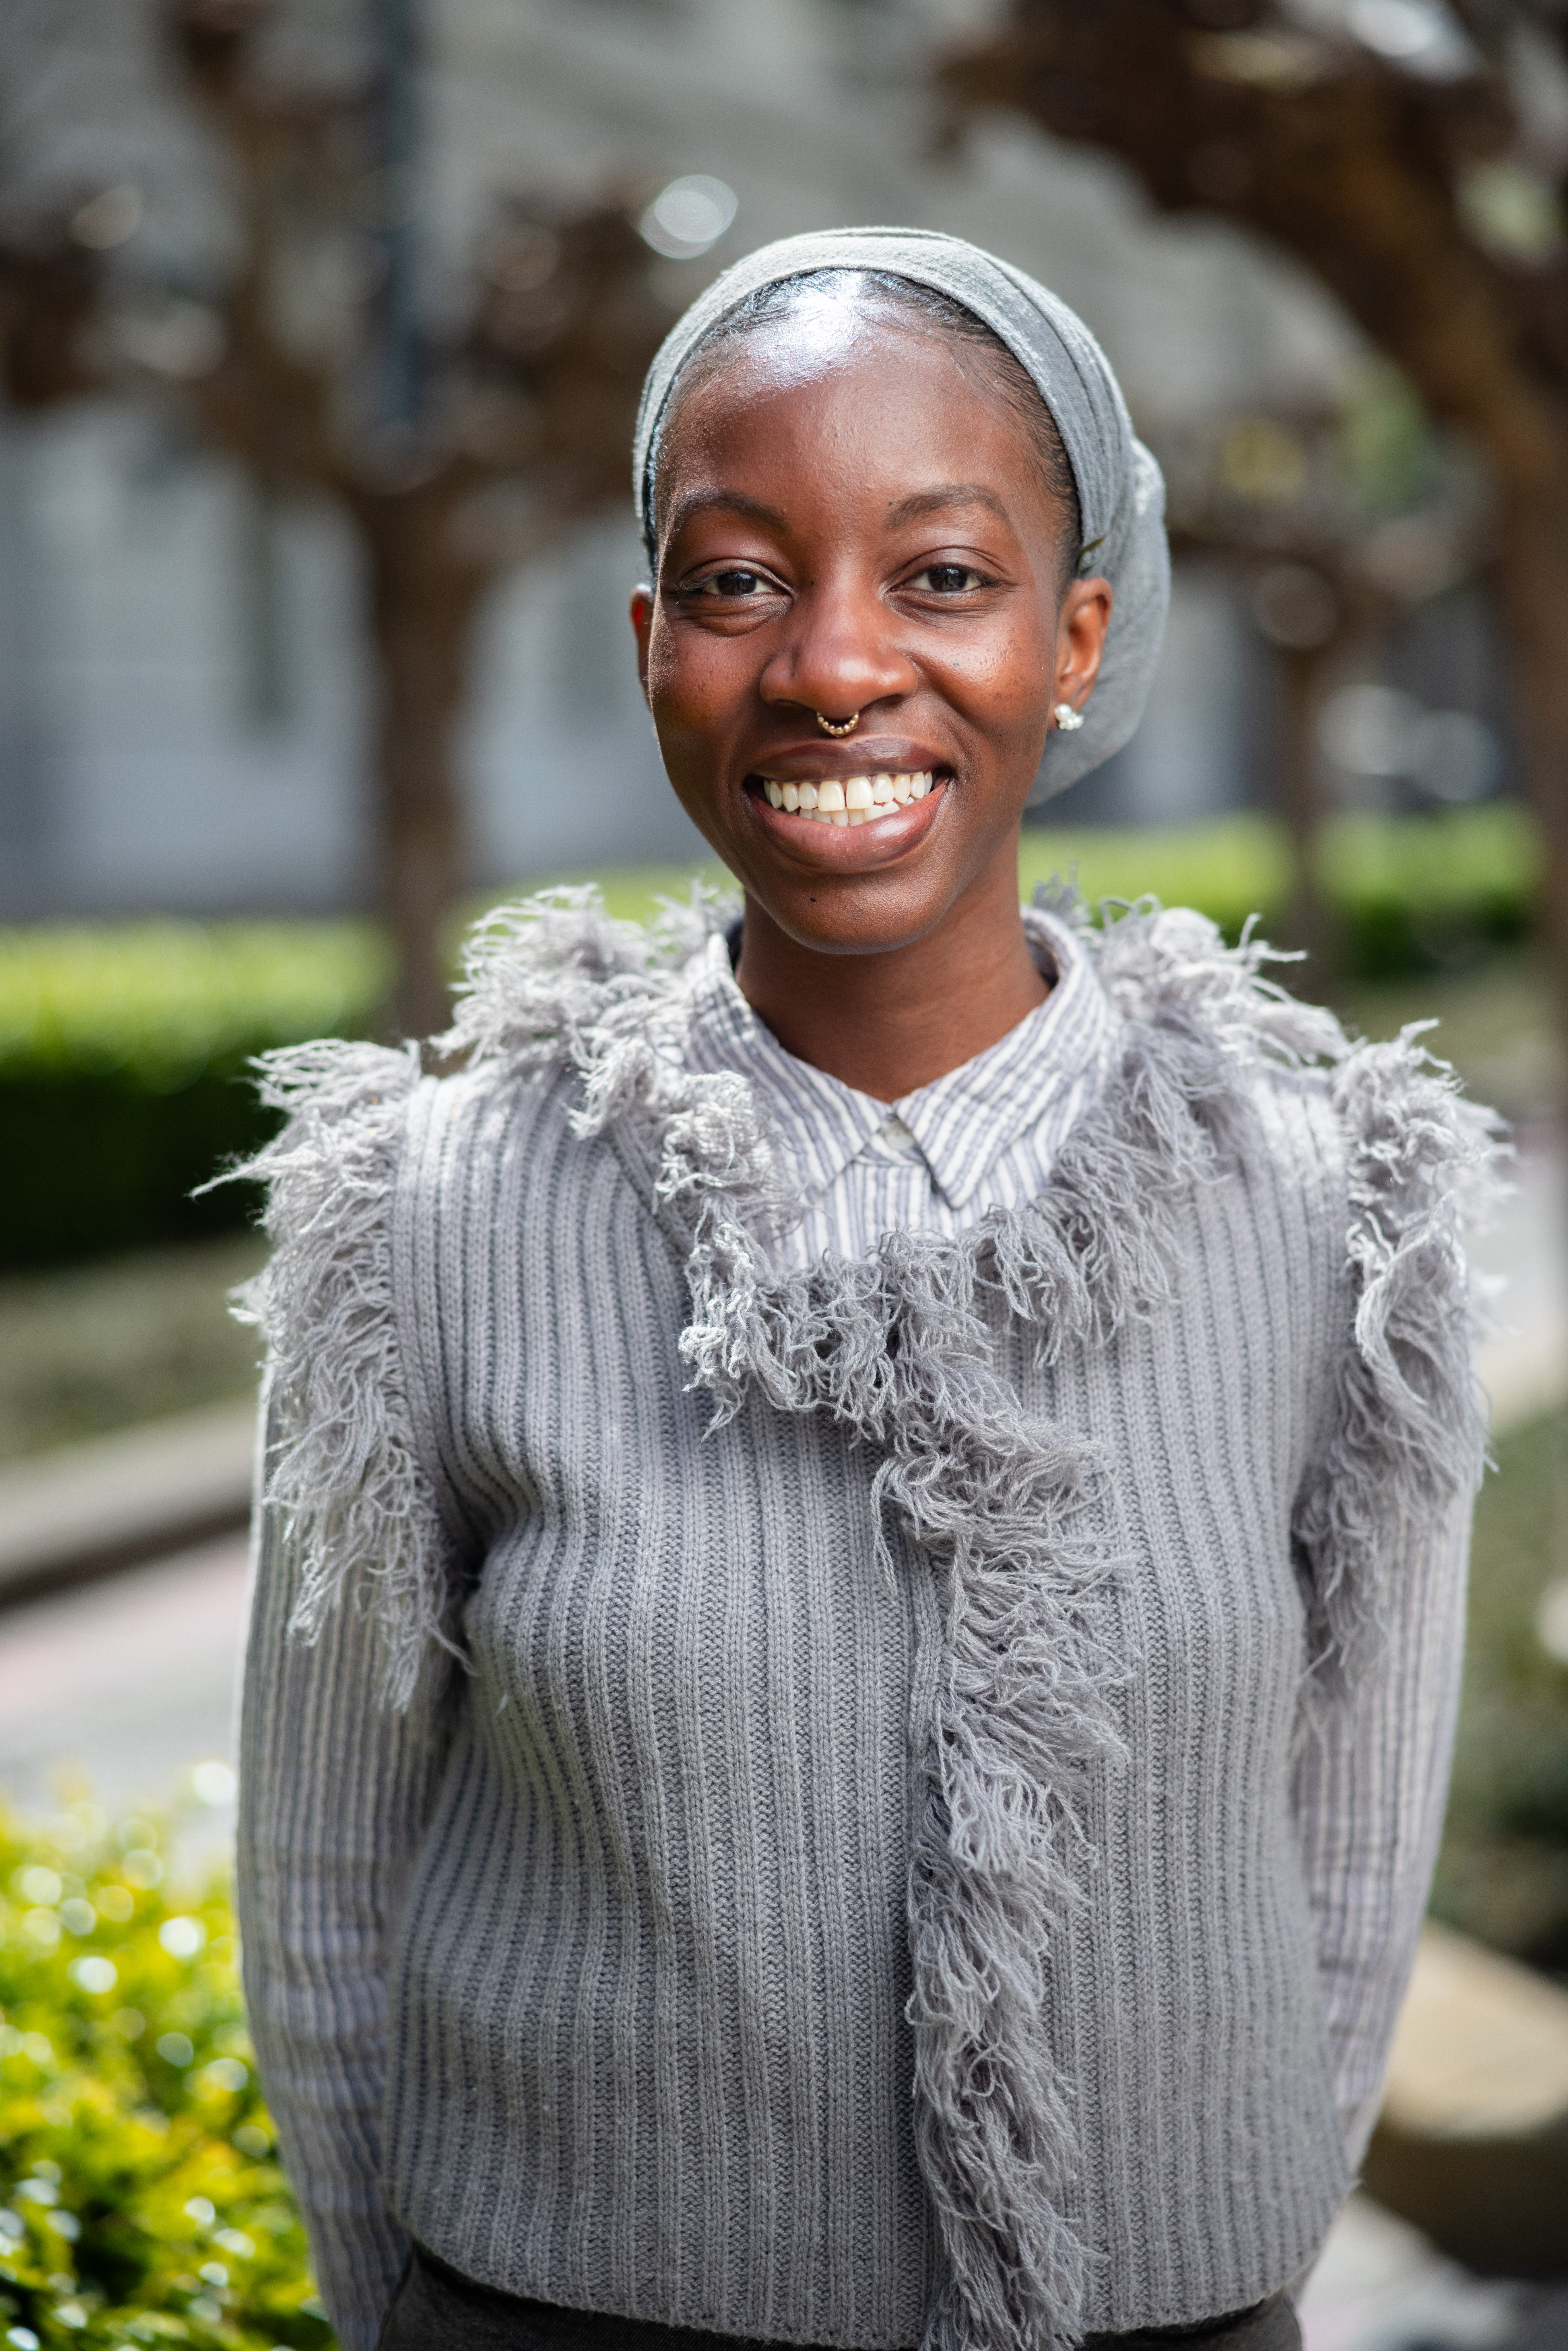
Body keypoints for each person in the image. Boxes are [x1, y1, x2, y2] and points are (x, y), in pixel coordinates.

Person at [234, 230, 1498, 2351]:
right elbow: (326, 1889)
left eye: (941, 576)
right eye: (739, 581)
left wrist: (1209, 2264)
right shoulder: (431, 1216)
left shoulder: (1326, 1217)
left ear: (1075, 635)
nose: (831, 665)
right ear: (651, 641)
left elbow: (1349, 1876)